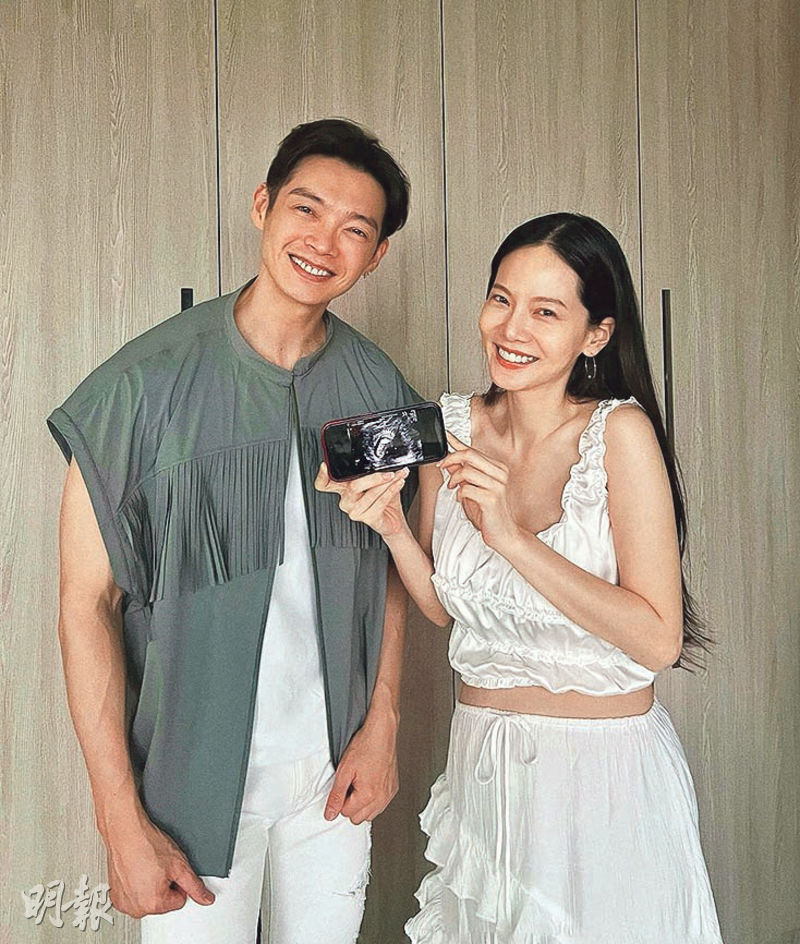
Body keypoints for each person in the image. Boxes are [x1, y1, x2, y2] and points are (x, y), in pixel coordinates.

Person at [47, 118, 421, 944]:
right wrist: (119, 819)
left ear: (376, 255)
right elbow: (85, 606)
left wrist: (385, 724)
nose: (323, 242)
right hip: (189, 790)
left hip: (333, 782)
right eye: (306, 209)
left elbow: (392, 566)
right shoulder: (139, 387)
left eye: (355, 229)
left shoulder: (379, 388)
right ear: (262, 206)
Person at [316, 213, 724, 942]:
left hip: (603, 779)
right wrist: (392, 530)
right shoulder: (450, 426)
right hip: (483, 766)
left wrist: (507, 534)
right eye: (501, 299)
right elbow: (447, 609)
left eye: (546, 311)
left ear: (595, 335)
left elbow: (658, 639)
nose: (511, 329)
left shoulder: (619, 435)